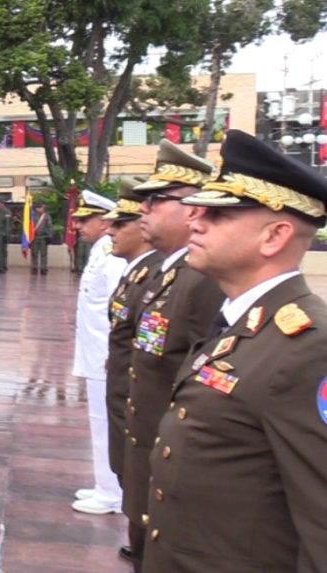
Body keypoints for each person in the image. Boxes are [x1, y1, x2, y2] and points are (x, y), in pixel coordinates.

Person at [141, 130, 327, 572]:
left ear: (274, 236)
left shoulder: (308, 347)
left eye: (218, 214)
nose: (195, 221)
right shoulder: (242, 322)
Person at [124, 140, 224, 571]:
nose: (142, 209)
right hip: (149, 441)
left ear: (191, 209)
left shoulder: (202, 281)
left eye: (154, 200)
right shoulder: (167, 272)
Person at [99, 178, 164, 562]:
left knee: (141, 477)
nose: (110, 231)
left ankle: (144, 546)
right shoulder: (140, 273)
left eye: (118, 225)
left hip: (141, 399)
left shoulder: (159, 275)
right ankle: (138, 541)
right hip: (126, 389)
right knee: (129, 473)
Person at [69, 190, 128, 516]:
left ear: (105, 221)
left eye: (84, 219)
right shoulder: (100, 251)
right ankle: (104, 485)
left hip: (106, 355)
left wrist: (114, 351)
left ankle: (112, 491)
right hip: (95, 352)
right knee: (99, 420)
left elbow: (120, 307)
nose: (77, 225)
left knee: (107, 421)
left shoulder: (112, 254)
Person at [30, 202, 52, 274]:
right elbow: (29, 227)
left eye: (42, 207)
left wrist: (49, 236)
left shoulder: (46, 216)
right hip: (34, 237)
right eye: (40, 207)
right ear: (36, 209)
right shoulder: (32, 216)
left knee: (43, 254)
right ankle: (34, 267)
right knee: (34, 253)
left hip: (43, 237)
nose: (42, 209)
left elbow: (49, 226)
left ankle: (43, 268)